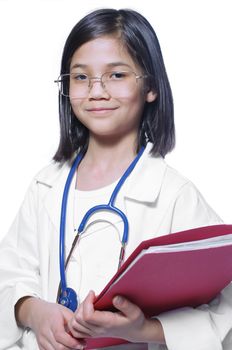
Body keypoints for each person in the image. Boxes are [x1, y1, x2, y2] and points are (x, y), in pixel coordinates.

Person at [0, 7, 232, 350]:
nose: (96, 91)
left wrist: (145, 330)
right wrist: (33, 312)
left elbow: (224, 311)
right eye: (80, 77)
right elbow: (10, 275)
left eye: (117, 75)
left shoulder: (173, 195)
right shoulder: (46, 185)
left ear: (151, 87)